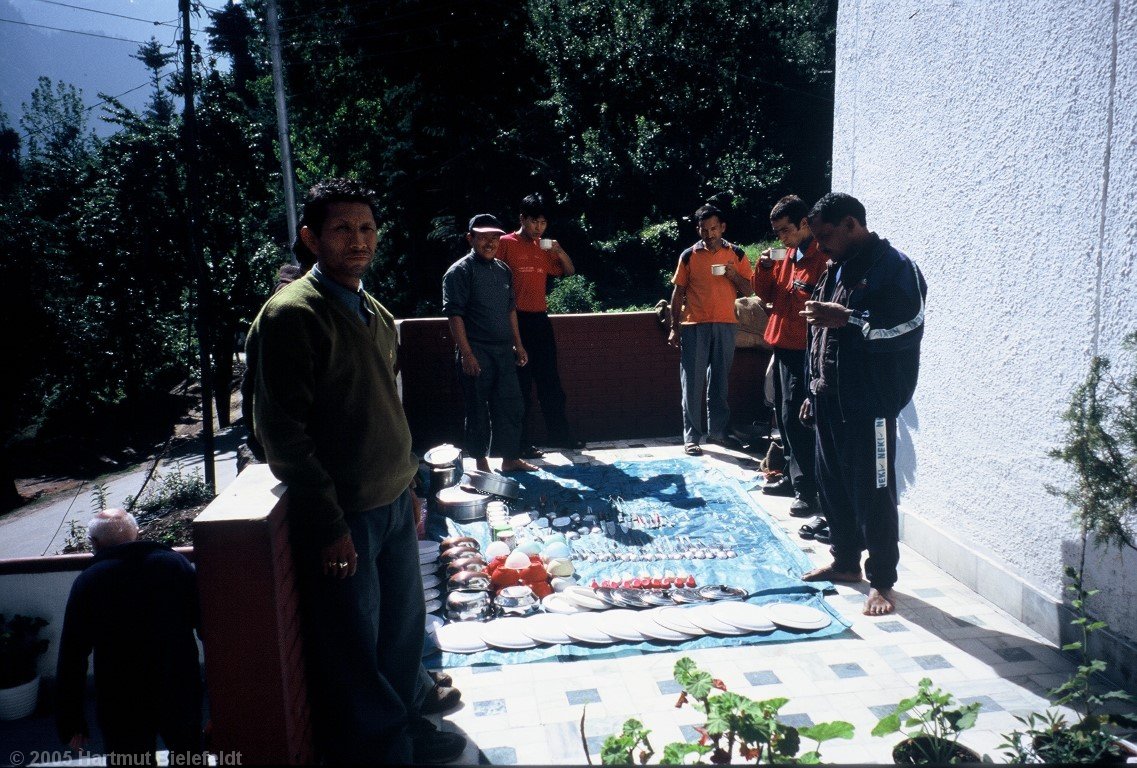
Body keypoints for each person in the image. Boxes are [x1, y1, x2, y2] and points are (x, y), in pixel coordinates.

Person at [245, 179, 465, 764]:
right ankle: (382, 750)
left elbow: (388, 407)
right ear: (311, 237)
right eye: (342, 229)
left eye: (366, 228)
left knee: (401, 630)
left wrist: (411, 485)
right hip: (347, 515)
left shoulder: (373, 310)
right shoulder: (293, 315)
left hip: (392, 501)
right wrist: (328, 524)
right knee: (354, 643)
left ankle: (410, 724)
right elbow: (282, 434)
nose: (359, 240)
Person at [798, 192, 927, 616]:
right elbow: (819, 332)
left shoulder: (896, 267)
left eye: (826, 236)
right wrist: (812, 387)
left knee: (874, 492)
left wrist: (850, 318)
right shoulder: (836, 266)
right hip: (829, 399)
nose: (820, 247)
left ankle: (882, 581)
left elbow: (908, 326)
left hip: (869, 403)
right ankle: (845, 562)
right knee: (832, 485)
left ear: (851, 224)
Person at [55, 509, 203, 766]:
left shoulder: (89, 581)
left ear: (94, 543)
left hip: (121, 697)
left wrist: (71, 720)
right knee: (189, 758)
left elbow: (73, 654)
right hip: (178, 685)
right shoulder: (175, 565)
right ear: (137, 534)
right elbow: (206, 625)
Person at [442, 213, 538, 473]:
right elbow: (455, 315)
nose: (490, 243)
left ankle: (510, 459)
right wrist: (467, 354)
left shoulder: (503, 270)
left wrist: (519, 344)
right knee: (477, 409)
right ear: (470, 238)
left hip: (504, 351)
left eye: (495, 237)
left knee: (511, 405)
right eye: (483, 237)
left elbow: (510, 310)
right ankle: (480, 462)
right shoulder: (459, 272)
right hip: (477, 350)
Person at [752, 195, 829, 515]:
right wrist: (763, 268)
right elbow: (764, 293)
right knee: (782, 418)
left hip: (804, 351)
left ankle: (807, 490)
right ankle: (790, 475)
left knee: (797, 420)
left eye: (786, 230)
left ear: (804, 223)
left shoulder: (821, 258)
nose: (781, 237)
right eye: (777, 232)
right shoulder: (788, 255)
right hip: (782, 345)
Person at [496, 193, 585, 457]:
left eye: (543, 223)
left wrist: (559, 250)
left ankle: (560, 436)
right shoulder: (505, 243)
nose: (539, 228)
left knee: (550, 382)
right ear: (522, 218)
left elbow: (569, 271)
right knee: (520, 385)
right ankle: (521, 444)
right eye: (534, 221)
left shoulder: (544, 245)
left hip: (540, 319)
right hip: (514, 319)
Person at [668, 203, 753, 455]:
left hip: (726, 324)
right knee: (692, 384)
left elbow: (749, 290)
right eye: (704, 229)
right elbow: (678, 293)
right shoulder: (689, 255)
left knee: (720, 382)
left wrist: (733, 276)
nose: (709, 234)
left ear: (722, 227)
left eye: (713, 228)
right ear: (698, 229)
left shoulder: (737, 253)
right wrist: (674, 327)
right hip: (694, 325)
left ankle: (718, 433)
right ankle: (691, 438)